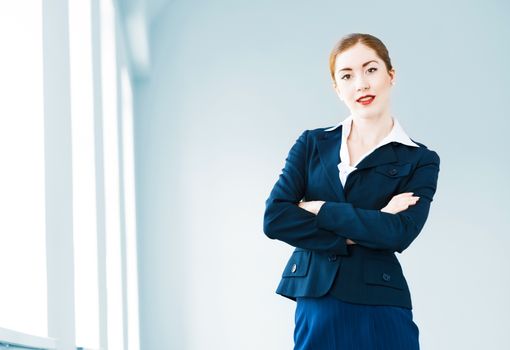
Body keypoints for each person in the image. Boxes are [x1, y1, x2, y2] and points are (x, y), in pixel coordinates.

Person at [263, 33, 440, 350]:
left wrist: (319, 209)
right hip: (317, 295)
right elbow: (275, 219)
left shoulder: (420, 159)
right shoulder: (311, 144)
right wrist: (376, 219)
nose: (361, 84)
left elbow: (398, 234)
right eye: (347, 75)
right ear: (337, 88)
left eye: (371, 69)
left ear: (391, 75)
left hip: (381, 300)